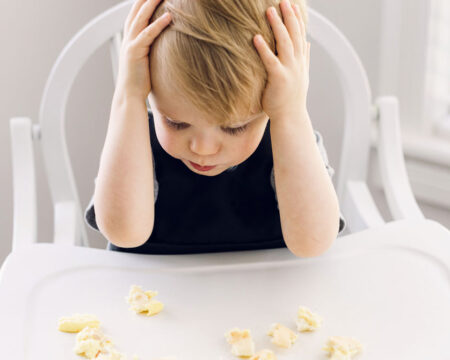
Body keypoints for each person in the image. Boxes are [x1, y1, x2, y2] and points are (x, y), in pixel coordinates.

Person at [85, 0, 346, 256]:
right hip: (161, 293)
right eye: (176, 122)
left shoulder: (291, 137)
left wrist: (291, 112)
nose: (203, 148)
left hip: (267, 294)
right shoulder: (133, 140)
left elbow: (313, 243)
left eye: (234, 128)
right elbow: (124, 234)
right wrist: (128, 95)